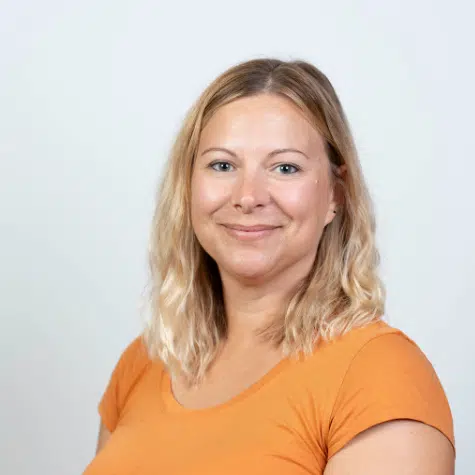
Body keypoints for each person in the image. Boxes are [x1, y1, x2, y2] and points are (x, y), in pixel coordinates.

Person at [83, 58, 455, 474]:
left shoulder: (380, 375)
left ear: (337, 194)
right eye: (222, 165)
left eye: (285, 168)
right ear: (187, 185)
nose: (248, 196)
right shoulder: (148, 359)